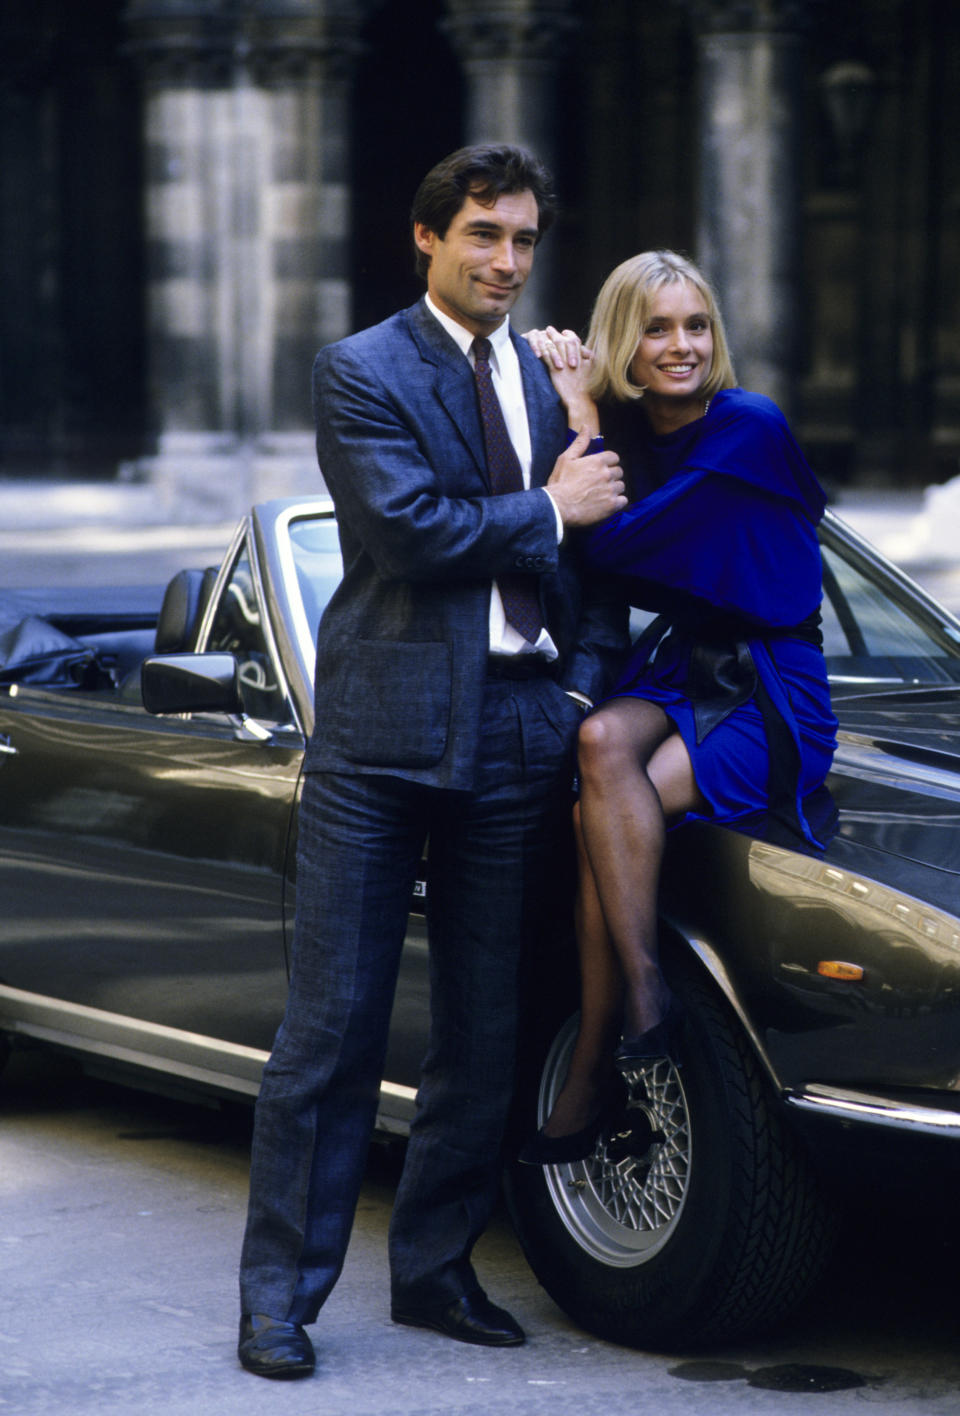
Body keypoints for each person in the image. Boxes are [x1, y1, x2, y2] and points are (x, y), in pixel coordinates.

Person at [236, 144, 629, 1379]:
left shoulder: (553, 378)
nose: (507, 262)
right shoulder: (358, 369)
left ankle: (437, 1272)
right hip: (379, 736)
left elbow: (605, 551)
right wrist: (547, 511)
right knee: (333, 1028)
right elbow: (407, 532)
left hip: (521, 724)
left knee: (486, 1023)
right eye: (483, 237)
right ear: (428, 239)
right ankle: (278, 1300)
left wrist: (577, 689)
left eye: (522, 240)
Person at [519, 249, 838, 1165]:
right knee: (597, 739)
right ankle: (644, 990)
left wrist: (580, 412)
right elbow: (585, 538)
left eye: (696, 325)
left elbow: (612, 540)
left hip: (773, 683)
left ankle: (596, 1049)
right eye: (657, 327)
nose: (682, 345)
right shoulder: (637, 431)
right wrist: (581, 403)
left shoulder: (749, 427)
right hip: (685, 664)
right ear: (627, 337)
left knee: (600, 813)